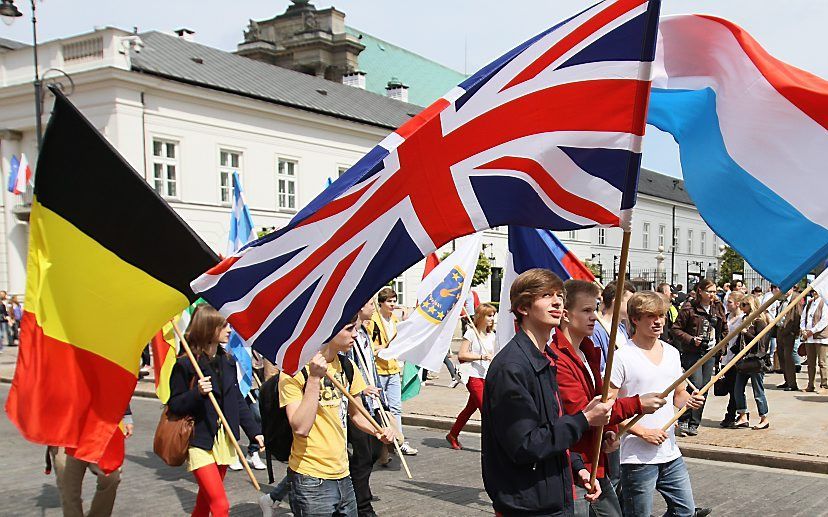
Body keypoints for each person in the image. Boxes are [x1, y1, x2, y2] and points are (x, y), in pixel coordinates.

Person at [481, 268, 614, 516]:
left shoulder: (545, 358)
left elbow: (551, 425)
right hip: (527, 503)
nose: (556, 301)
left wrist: (577, 468)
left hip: (550, 496)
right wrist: (584, 419)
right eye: (545, 295)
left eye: (559, 295)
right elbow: (525, 444)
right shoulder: (513, 367)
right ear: (523, 307)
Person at [553, 280, 666, 517]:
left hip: (596, 458)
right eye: (585, 311)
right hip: (576, 462)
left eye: (594, 309)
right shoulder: (558, 359)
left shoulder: (588, 351)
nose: (593, 316)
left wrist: (610, 431)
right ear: (565, 315)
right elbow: (584, 410)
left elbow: (599, 400)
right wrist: (636, 404)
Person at [279, 314, 396, 517]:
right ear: (328, 331)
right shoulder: (295, 371)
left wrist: (378, 432)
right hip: (311, 478)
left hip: (343, 475)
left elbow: (357, 415)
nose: (355, 335)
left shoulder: (348, 367)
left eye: (356, 329)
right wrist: (315, 379)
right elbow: (300, 428)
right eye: (349, 329)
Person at [609, 291, 708, 517]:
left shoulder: (672, 353)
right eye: (651, 317)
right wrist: (643, 432)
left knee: (686, 511)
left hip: (670, 452)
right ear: (635, 319)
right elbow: (609, 408)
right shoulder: (622, 357)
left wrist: (689, 401)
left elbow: (679, 394)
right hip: (636, 457)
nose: (658, 322)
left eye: (661, 316)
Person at [168, 305, 263, 517]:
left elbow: (237, 399)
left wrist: (254, 432)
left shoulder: (227, 360)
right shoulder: (186, 363)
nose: (230, 330)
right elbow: (173, 404)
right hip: (200, 441)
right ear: (209, 328)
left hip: (224, 440)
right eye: (224, 326)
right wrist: (197, 393)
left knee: (204, 503)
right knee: (220, 505)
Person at [48, 407, 134, 517]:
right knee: (68, 486)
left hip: (99, 427)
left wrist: (126, 416)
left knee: (112, 476)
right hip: (66, 428)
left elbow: (116, 390)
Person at [367, 287, 418, 459]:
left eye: (394, 300)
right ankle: (382, 444)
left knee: (396, 407)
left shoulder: (395, 321)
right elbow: (367, 345)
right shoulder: (373, 320)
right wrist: (379, 348)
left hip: (393, 369)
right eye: (389, 301)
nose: (393, 304)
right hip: (378, 370)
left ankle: (399, 441)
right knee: (381, 409)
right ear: (380, 303)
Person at [670, 279, 725, 436]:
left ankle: (694, 422)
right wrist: (692, 339)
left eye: (714, 291)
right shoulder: (689, 308)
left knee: (704, 388)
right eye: (709, 291)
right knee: (695, 384)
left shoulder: (717, 307)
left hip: (710, 352)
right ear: (700, 291)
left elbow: (724, 328)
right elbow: (676, 329)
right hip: (693, 352)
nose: (712, 295)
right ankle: (684, 419)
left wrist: (721, 348)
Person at [348, 300, 386, 517]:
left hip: (372, 402)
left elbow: (371, 369)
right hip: (356, 403)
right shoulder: (347, 334)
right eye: (371, 303)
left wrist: (384, 404)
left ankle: (356, 489)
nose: (373, 307)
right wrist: (362, 390)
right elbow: (346, 371)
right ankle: (362, 506)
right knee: (363, 455)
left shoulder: (363, 333)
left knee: (371, 452)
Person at [446, 302, 497, 450]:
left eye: (493, 315)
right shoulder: (471, 333)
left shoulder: (492, 335)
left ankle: (453, 434)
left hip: (487, 376)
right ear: (480, 316)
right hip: (473, 376)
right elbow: (462, 354)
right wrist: (481, 357)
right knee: (486, 410)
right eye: (489, 315)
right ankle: (492, 444)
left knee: (470, 408)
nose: (491, 318)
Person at [730, 295, 771, 430]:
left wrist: (746, 332)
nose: (742, 308)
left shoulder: (759, 321)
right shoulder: (744, 319)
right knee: (738, 389)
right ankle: (742, 415)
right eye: (741, 305)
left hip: (755, 360)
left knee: (758, 391)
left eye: (745, 304)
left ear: (752, 305)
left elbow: (760, 343)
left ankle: (764, 417)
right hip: (743, 360)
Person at [592, 281, 636, 375]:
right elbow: (599, 367)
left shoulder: (622, 328)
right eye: (630, 302)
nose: (634, 306)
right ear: (616, 301)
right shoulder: (597, 331)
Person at [719, 291, 745, 428]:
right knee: (728, 386)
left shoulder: (743, 318)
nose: (727, 305)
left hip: (737, 357)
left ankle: (732, 414)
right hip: (726, 356)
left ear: (737, 304)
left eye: (729, 302)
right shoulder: (727, 317)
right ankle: (736, 413)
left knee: (735, 388)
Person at [800, 289, 828, 391]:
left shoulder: (824, 302)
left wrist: (812, 331)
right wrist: (803, 329)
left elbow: (824, 320)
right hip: (809, 338)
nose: (814, 293)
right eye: (813, 291)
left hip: (820, 337)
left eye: (816, 291)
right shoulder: (809, 302)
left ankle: (824, 385)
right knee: (810, 363)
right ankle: (810, 385)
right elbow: (803, 318)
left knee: (822, 362)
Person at [776, 287, 803, 391]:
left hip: (789, 332)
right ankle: (787, 381)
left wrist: (794, 331)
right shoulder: (783, 299)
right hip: (780, 330)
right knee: (781, 356)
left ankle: (792, 384)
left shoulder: (796, 298)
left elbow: (798, 315)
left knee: (788, 357)